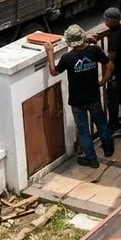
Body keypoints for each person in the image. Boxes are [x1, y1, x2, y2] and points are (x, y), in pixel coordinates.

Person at [44, 24, 114, 168]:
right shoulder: (94, 51)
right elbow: (110, 66)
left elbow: (53, 72)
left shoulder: (67, 58)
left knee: (83, 129)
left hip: (77, 100)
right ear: (83, 38)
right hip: (93, 96)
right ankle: (108, 149)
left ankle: (91, 159)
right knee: (101, 122)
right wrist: (103, 81)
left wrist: (50, 53)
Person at [88, 7, 121, 139]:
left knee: (113, 102)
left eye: (106, 20)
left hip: (117, 74)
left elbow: (111, 57)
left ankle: (114, 128)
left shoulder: (114, 36)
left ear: (112, 21)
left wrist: (105, 75)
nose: (105, 22)